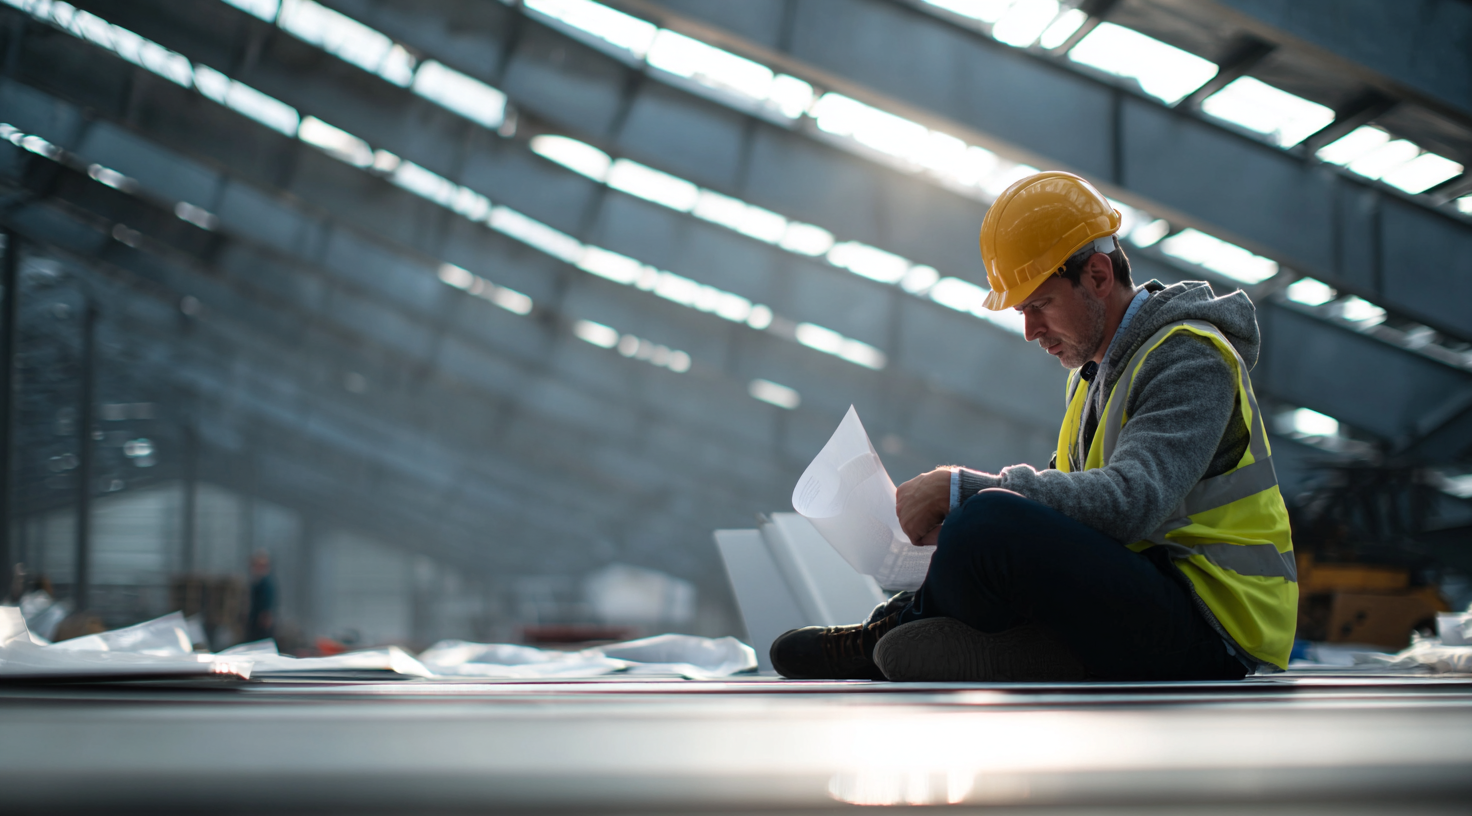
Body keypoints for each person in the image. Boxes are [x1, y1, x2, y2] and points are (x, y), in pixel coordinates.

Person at [770, 171, 1297, 682]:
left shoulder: (1188, 357)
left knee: (988, 520)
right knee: (978, 526)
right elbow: (1062, 512)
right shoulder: (1094, 376)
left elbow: (1131, 501)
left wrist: (962, 491)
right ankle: (963, 635)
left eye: (1040, 305)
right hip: (1142, 599)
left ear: (1097, 275)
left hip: (1212, 626)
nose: (1029, 331)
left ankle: (889, 638)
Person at [245, 549, 277, 644]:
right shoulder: (256, 583)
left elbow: (267, 608)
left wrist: (265, 617)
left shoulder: (266, 584)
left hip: (261, 625)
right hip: (254, 622)